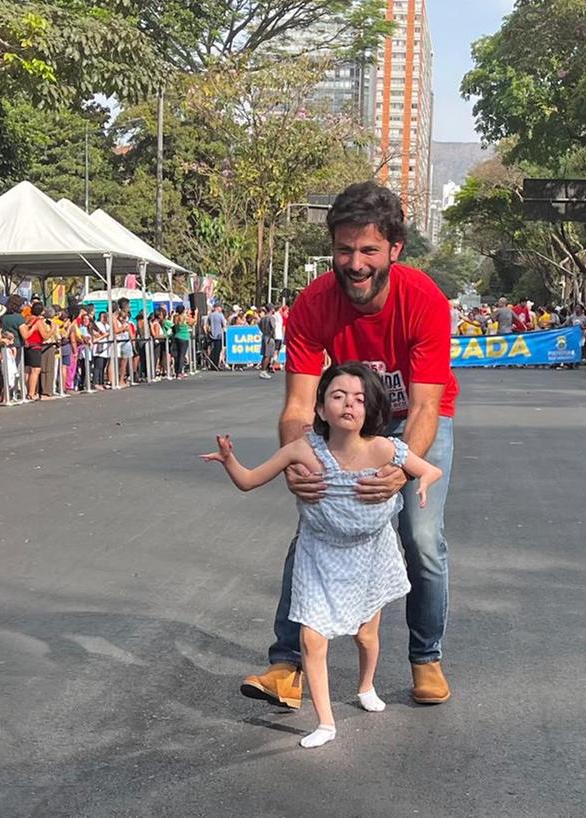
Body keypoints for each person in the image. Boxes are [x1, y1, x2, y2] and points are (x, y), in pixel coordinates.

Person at [240, 180, 458, 710]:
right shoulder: (313, 304)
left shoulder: (423, 299)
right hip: (343, 423)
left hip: (412, 422)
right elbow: (297, 406)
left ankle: (425, 657)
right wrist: (302, 462)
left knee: (420, 536)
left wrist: (404, 470)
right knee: (313, 525)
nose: (355, 263)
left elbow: (426, 407)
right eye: (343, 250)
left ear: (394, 250)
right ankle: (285, 666)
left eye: (368, 250)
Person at [202, 363, 442, 749]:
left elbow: (430, 469)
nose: (350, 404)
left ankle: (365, 686)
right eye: (339, 396)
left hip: (369, 554)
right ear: (321, 408)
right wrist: (229, 459)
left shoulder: (384, 448)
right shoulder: (302, 449)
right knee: (312, 638)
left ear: (370, 409)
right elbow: (249, 481)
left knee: (366, 635)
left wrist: (422, 484)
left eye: (359, 399)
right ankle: (326, 723)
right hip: (319, 553)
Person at [258, 305, 277, 379]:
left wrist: (263, 331)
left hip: (264, 336)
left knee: (264, 354)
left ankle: (263, 370)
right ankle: (263, 371)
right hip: (269, 337)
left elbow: (259, 325)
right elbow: (273, 327)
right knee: (268, 355)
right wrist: (273, 335)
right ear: (271, 309)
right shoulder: (271, 318)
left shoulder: (263, 318)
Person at [208, 304, 227, 371]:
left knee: (212, 351)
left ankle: (212, 365)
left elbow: (208, 324)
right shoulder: (220, 315)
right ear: (217, 308)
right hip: (219, 335)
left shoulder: (210, 315)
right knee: (218, 351)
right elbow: (224, 324)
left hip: (212, 335)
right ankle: (216, 365)